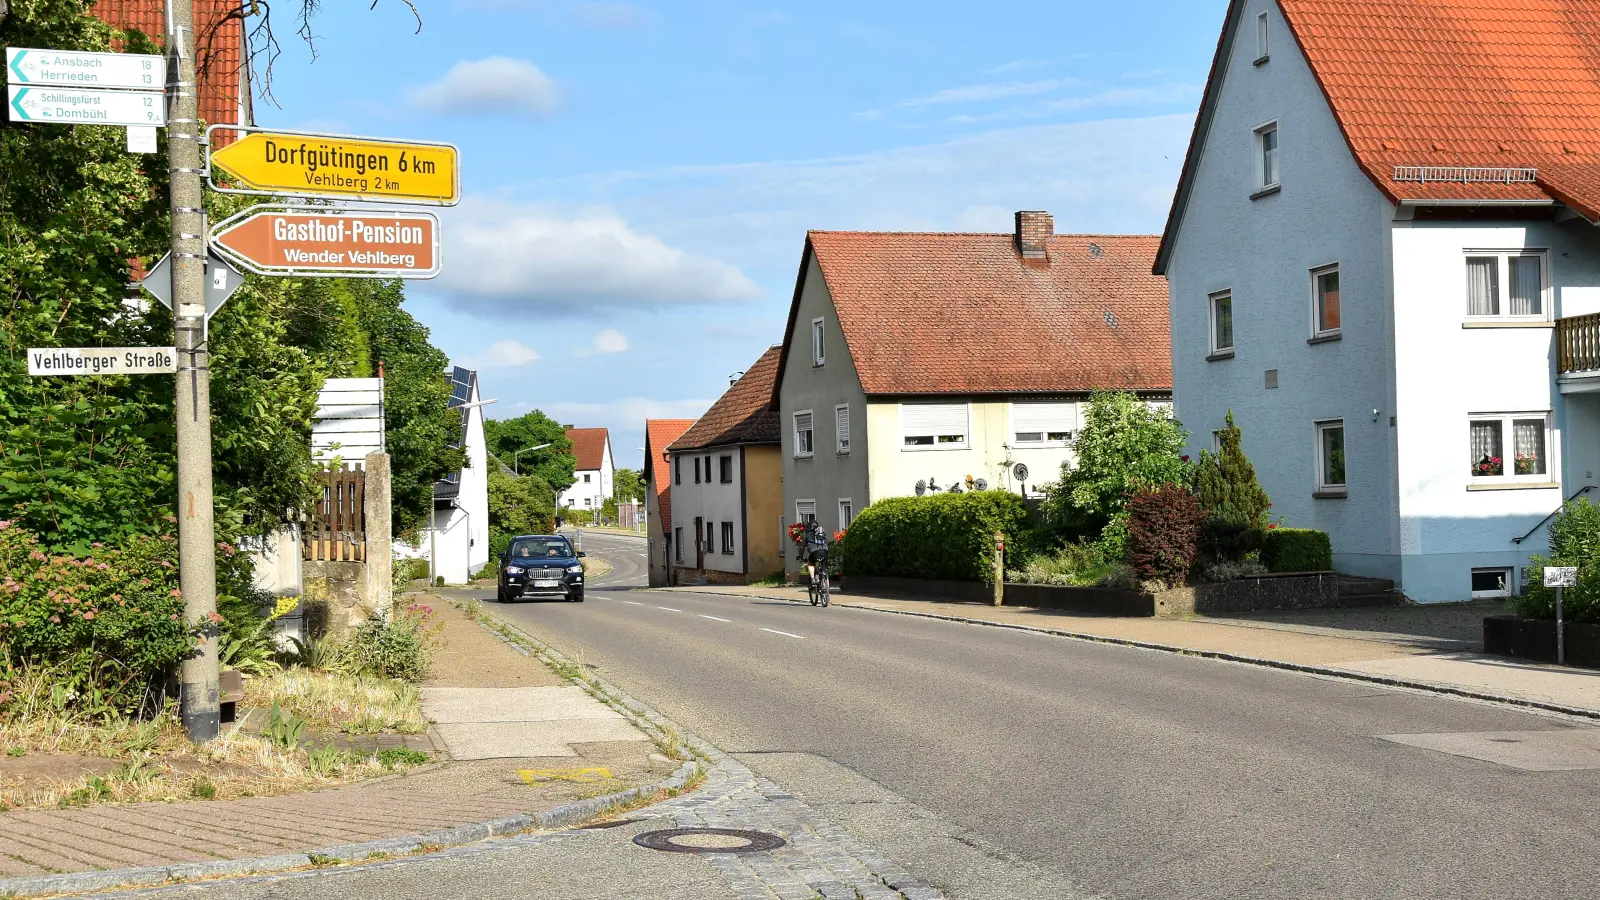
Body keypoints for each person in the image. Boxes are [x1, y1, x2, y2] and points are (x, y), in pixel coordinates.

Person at [801, 520, 829, 586]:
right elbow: (826, 542)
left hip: (814, 553)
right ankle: (826, 584)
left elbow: (802, 547)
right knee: (824, 567)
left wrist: (800, 556)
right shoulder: (821, 533)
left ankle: (813, 579)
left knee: (810, 563)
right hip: (825, 551)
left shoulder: (806, 534)